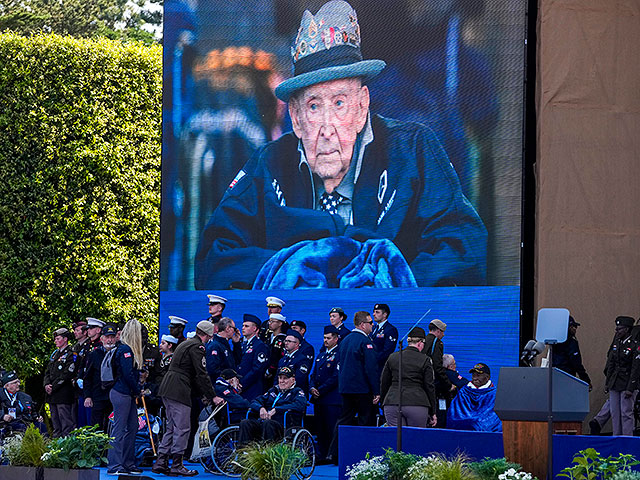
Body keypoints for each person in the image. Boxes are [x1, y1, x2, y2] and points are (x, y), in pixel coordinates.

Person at [193, 0, 487, 290]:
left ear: (362, 107)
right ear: (295, 117)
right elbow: (214, 259)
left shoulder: (413, 150)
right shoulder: (268, 165)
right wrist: (286, 265)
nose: (327, 127)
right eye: (313, 106)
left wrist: (388, 280)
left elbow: (462, 247)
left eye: (339, 103)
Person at [153, 320, 223, 476]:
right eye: (209, 337)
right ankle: (177, 464)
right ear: (206, 335)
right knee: (183, 428)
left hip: (168, 388)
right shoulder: (197, 347)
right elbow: (201, 374)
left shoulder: (185, 344)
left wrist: (202, 394)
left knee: (172, 427)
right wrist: (212, 396)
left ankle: (161, 461)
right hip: (179, 390)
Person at [327, 311, 379, 464]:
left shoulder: (345, 340)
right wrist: (376, 391)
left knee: (343, 421)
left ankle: (335, 453)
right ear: (363, 324)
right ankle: (363, 455)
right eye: (370, 323)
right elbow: (371, 368)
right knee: (365, 422)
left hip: (345, 388)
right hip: (362, 389)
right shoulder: (365, 342)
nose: (372, 325)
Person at [107, 319, 144, 476]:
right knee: (120, 429)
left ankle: (127, 463)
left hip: (125, 393)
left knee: (132, 427)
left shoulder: (124, 349)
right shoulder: (125, 350)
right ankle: (115, 465)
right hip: (123, 393)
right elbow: (128, 375)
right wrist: (138, 390)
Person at [380, 326, 436, 427]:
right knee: (415, 438)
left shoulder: (393, 357)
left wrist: (383, 402)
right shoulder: (425, 359)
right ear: (420, 343)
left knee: (395, 438)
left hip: (392, 402)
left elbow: (384, 382)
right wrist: (433, 412)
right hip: (417, 402)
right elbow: (429, 386)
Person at [238, 366, 307, 444]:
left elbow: (299, 405)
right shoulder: (273, 391)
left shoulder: (297, 392)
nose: (282, 381)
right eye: (280, 378)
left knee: (268, 423)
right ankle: (244, 452)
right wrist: (261, 408)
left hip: (283, 424)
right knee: (245, 423)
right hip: (264, 422)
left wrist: (277, 409)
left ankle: (267, 453)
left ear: (293, 380)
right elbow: (255, 401)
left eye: (285, 378)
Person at [309, 325, 341, 463]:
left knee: (331, 428)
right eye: (324, 338)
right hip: (319, 399)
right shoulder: (321, 355)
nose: (325, 340)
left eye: (328, 338)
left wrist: (320, 390)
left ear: (336, 339)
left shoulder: (339, 354)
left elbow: (336, 377)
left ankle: (333, 454)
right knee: (320, 428)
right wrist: (311, 388)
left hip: (331, 399)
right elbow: (313, 375)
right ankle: (321, 454)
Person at [604, 316, 640, 436]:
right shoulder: (617, 344)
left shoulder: (635, 345)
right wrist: (608, 383)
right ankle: (617, 437)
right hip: (615, 381)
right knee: (615, 413)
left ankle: (627, 439)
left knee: (626, 413)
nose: (617, 331)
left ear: (627, 330)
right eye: (617, 329)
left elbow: (635, 368)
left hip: (627, 382)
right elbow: (612, 364)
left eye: (620, 329)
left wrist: (631, 388)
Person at [83, 324, 118, 432]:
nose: (110, 340)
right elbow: (87, 377)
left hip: (113, 395)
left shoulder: (118, 353)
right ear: (102, 338)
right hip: (98, 395)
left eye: (112, 337)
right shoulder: (95, 354)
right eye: (107, 337)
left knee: (110, 426)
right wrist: (87, 396)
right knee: (96, 427)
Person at [447, 363, 501, 432]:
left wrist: (476, 424)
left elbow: (494, 418)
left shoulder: (494, 394)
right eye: (473, 375)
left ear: (487, 377)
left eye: (478, 375)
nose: (475, 378)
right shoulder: (463, 392)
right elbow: (454, 414)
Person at [43, 327, 77, 437]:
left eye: (58, 339)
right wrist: (46, 384)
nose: (56, 341)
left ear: (65, 339)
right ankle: (56, 446)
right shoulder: (54, 354)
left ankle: (67, 447)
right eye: (55, 339)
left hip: (63, 393)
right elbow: (47, 371)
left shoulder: (71, 354)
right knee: (55, 422)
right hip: (53, 394)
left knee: (66, 422)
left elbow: (67, 374)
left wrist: (53, 386)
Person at [424, 319, 454, 427]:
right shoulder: (437, 343)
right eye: (442, 331)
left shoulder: (423, 341)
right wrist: (448, 384)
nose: (443, 334)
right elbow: (438, 367)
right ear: (437, 331)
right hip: (433, 383)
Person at [552, 316, 592, 389]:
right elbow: (576, 363)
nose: (575, 329)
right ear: (569, 327)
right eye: (574, 326)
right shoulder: (571, 343)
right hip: (567, 377)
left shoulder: (555, 343)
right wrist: (586, 380)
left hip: (554, 377)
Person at [237, 314, 269, 401]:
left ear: (255, 329)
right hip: (240, 386)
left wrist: (242, 384)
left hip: (252, 388)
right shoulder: (243, 344)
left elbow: (257, 369)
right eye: (243, 326)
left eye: (246, 326)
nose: (243, 328)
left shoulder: (259, 345)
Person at [276, 330, 312, 394]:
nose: (286, 343)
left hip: (295, 394)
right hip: (282, 393)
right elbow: (277, 377)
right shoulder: (283, 359)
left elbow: (300, 379)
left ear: (296, 344)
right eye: (285, 341)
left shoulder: (302, 359)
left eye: (289, 341)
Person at [206, 316, 240, 383]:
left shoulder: (224, 344)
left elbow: (236, 361)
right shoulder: (215, 345)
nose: (235, 331)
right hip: (219, 386)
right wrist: (227, 379)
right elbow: (212, 370)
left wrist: (236, 344)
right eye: (234, 329)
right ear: (228, 329)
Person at [369, 303, 398, 374]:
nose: (373, 314)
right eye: (374, 312)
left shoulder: (390, 330)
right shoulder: (373, 328)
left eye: (377, 312)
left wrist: (373, 359)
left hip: (381, 367)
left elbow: (387, 351)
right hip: (371, 366)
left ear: (385, 314)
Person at [264, 313, 288, 389]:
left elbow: (277, 357)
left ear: (280, 323)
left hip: (275, 373)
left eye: (272, 321)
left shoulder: (282, 339)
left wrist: (271, 370)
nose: (270, 324)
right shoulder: (268, 337)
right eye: (269, 321)